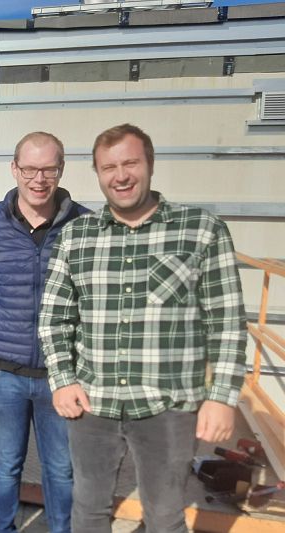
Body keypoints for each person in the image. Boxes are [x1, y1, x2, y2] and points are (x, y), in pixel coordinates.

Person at [39, 124, 247, 533]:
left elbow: (226, 322)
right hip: (92, 404)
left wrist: (222, 398)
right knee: (88, 509)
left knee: (165, 516)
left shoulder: (200, 230)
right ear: (98, 174)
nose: (120, 176)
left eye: (130, 163)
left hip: (167, 407)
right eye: (109, 167)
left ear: (150, 164)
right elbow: (54, 316)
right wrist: (62, 380)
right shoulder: (77, 237)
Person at [0, 132, 88, 533]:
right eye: (30, 169)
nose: (39, 179)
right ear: (14, 169)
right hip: (3, 371)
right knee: (5, 464)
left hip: (63, 374)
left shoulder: (86, 226)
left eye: (48, 169)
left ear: (61, 169)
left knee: (62, 468)